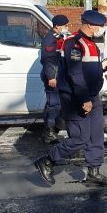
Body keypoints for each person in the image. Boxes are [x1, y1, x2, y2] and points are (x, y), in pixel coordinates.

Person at [35, 10, 107, 187]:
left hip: (91, 95)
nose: (101, 29)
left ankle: (94, 171)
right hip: (76, 98)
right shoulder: (74, 43)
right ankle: (47, 160)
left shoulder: (90, 43)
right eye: (99, 26)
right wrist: (84, 99)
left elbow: (88, 70)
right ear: (89, 25)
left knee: (96, 135)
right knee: (79, 137)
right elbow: (75, 74)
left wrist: (104, 67)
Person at [39, 14, 70, 144]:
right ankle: (49, 133)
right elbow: (48, 60)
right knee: (54, 105)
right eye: (65, 25)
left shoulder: (58, 37)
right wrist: (51, 77)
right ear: (57, 26)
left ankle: (50, 130)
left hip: (57, 75)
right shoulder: (49, 39)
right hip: (52, 76)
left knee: (55, 104)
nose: (67, 27)